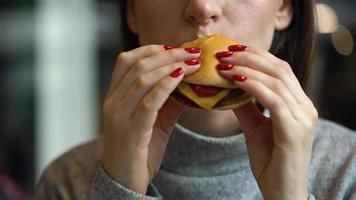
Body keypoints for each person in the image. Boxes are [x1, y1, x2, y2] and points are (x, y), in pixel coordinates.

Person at [35, 0, 356, 199]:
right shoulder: (68, 182)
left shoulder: (348, 171)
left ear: (284, 7)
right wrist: (119, 191)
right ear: (132, 10)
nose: (202, 7)